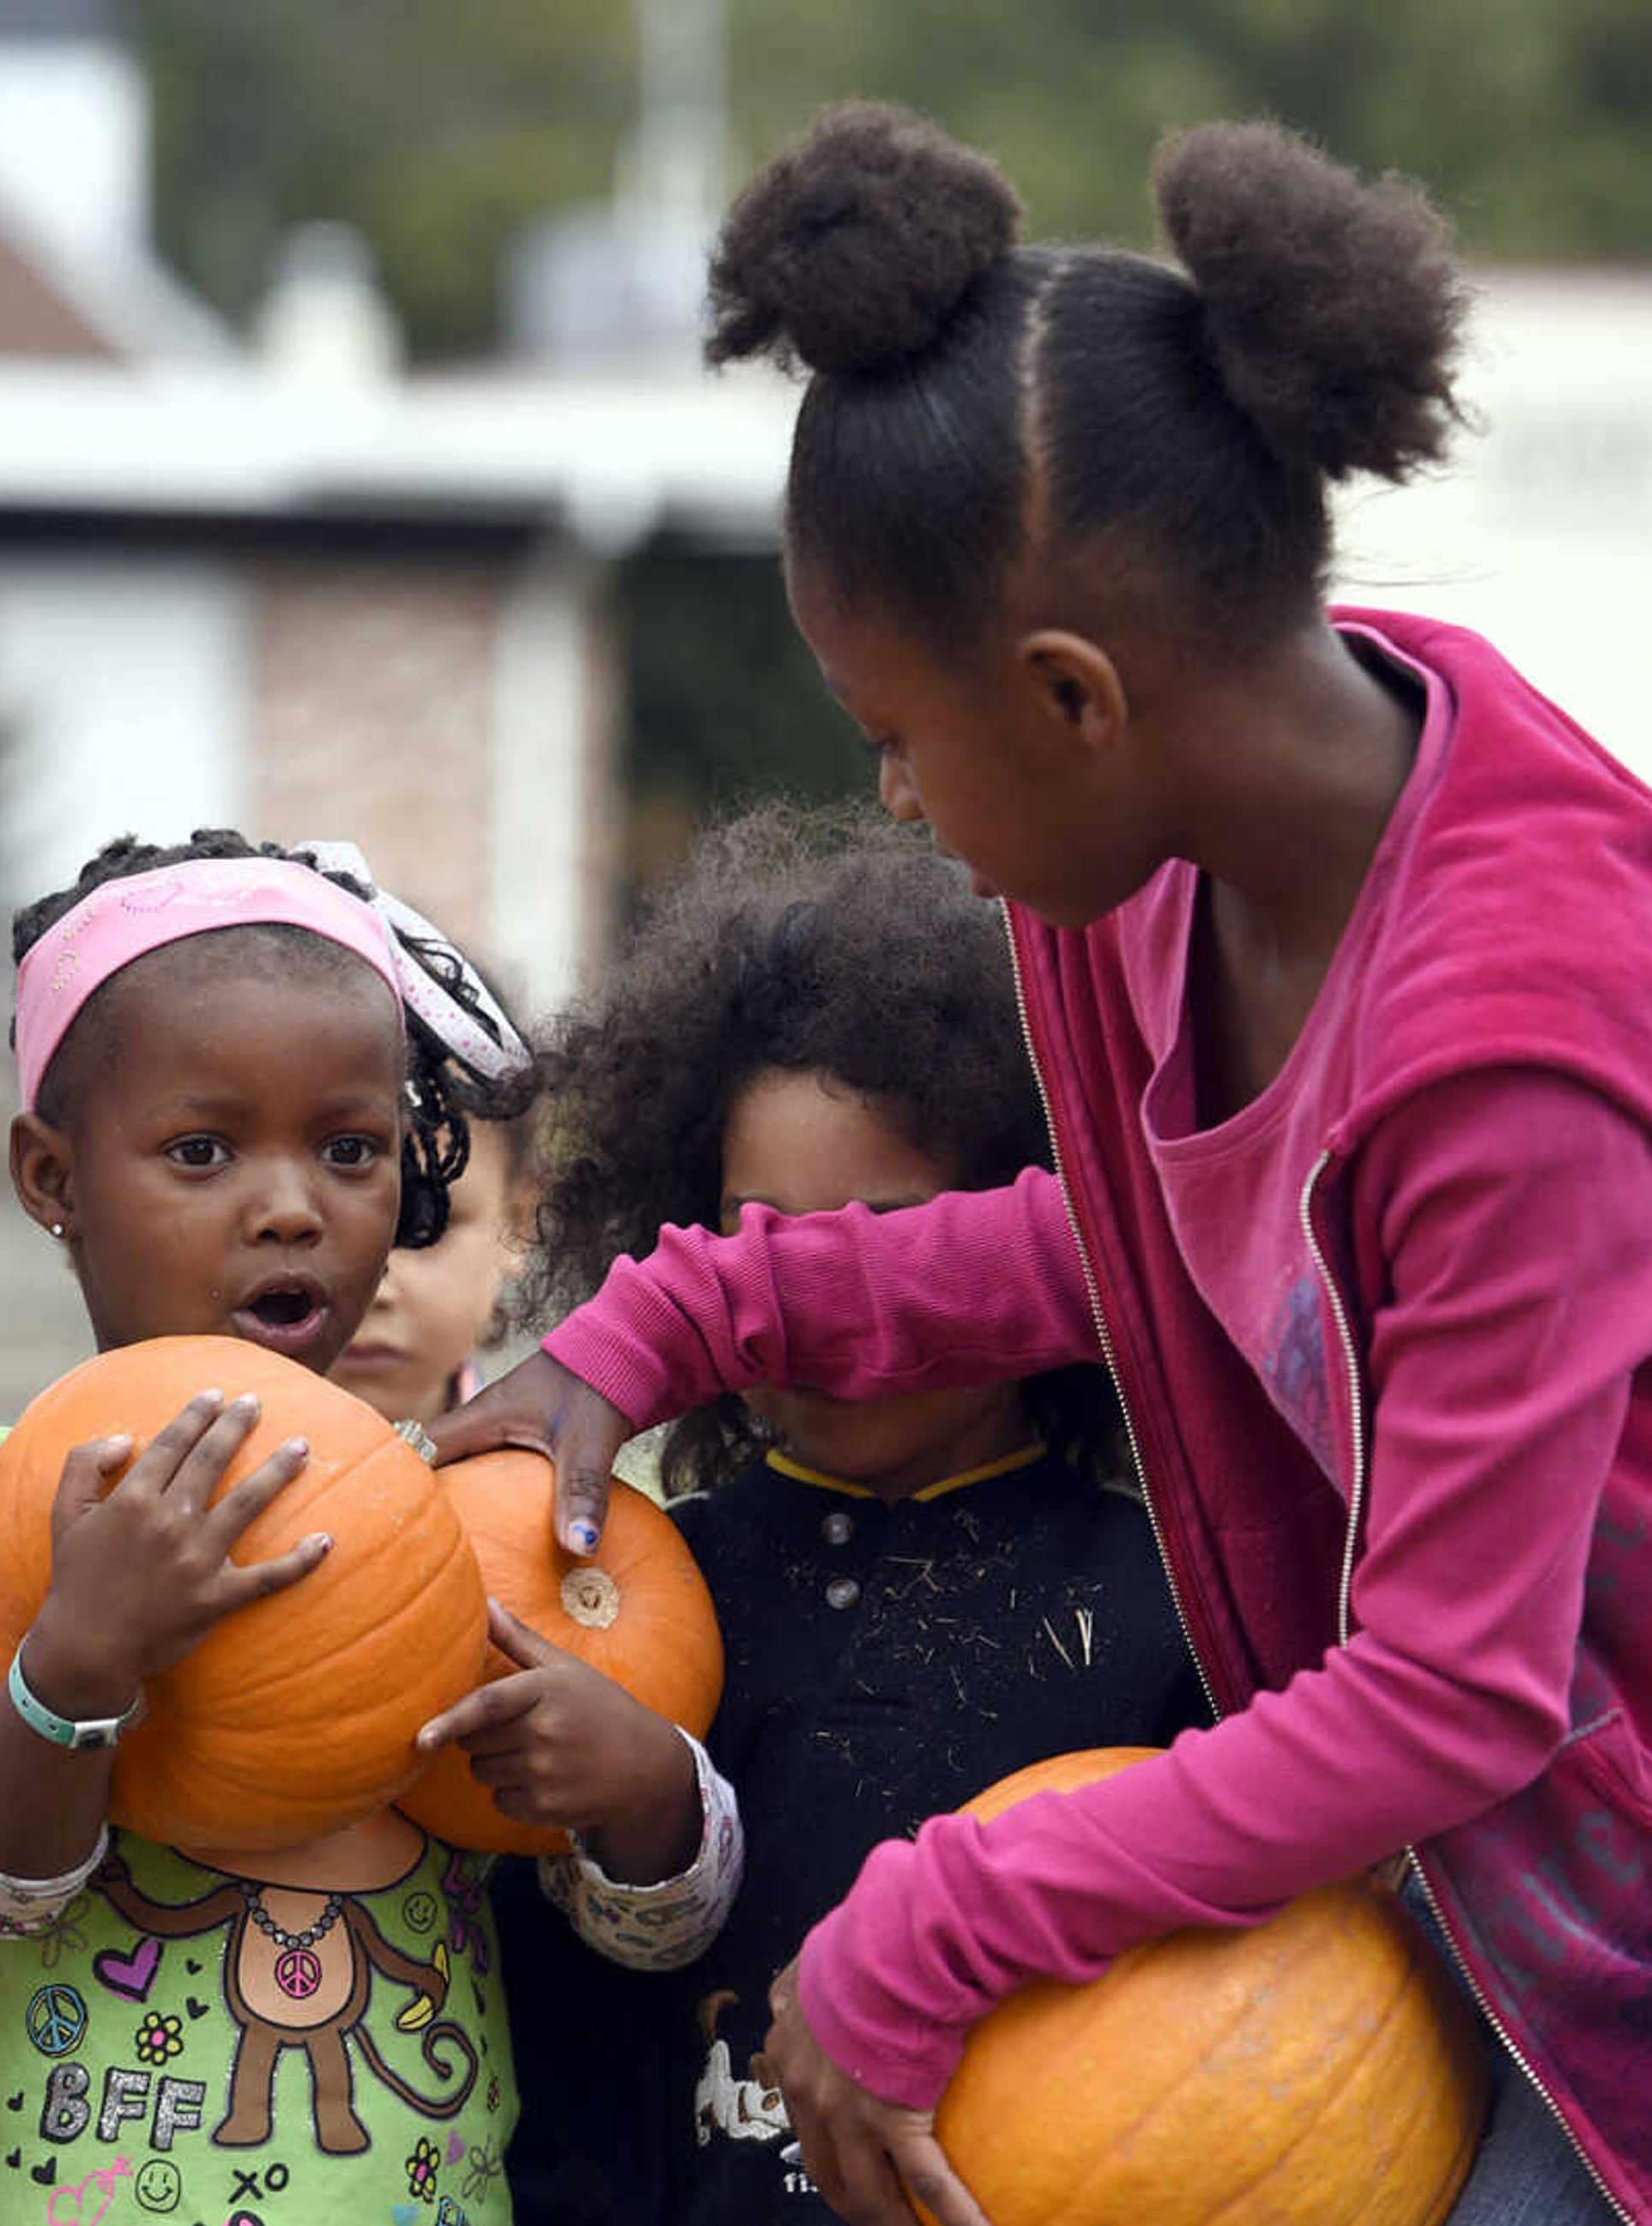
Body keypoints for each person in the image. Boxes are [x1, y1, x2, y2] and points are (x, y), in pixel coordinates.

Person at [436, 104, 1652, 2226]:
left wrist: (933, 1915)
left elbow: (1443, 1689)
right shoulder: (1175, 866)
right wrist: (693, 1310)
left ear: (1070, 697)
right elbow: (1175, 1245)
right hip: (1527, 1811)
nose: (886, 791)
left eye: (892, 728)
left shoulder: (1514, 1052)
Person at [0, 831, 738, 2224]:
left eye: (348, 1148)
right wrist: (79, 1662)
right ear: (51, 1176)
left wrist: (642, 1793)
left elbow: (654, 1925)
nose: (289, 1206)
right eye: (201, 1149)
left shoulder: (461, 1499)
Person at [491, 804, 1202, 2225]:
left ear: (1012, 1243)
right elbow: (565, 2050)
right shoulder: (641, 1588)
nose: (810, 1302)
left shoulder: (1168, 1606)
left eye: (884, 1236)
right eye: (757, 1239)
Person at [331, 1031, 534, 1430]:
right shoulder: (183, 1481)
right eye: (318, 1228)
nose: (375, 1291)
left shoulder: (557, 1486)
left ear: (517, 1222)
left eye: (426, 1225)